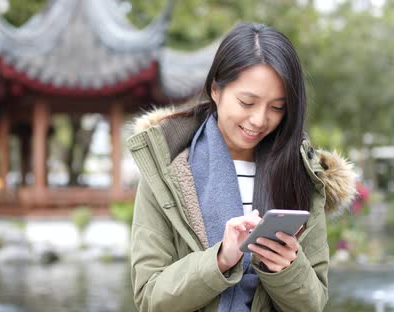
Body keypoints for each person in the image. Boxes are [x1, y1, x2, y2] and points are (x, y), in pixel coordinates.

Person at [127, 23, 357, 312]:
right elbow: (150, 298)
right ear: (215, 90)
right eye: (247, 102)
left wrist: (286, 269)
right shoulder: (166, 169)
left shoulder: (303, 175)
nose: (260, 120)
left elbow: (313, 305)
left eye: (277, 107)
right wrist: (221, 259)